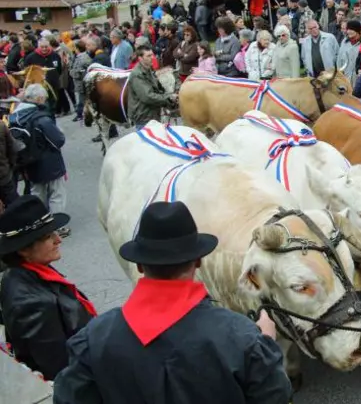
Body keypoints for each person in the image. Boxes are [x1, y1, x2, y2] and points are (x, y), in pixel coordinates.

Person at [53, 201, 293, 403]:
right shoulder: (242, 338)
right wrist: (267, 345)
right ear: (198, 261)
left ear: (138, 265)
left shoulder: (94, 338)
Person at [0, 195, 94, 380]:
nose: (58, 239)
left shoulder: (31, 270)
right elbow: (62, 370)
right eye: (48, 236)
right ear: (23, 249)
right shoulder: (32, 304)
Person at [10, 85, 68, 227]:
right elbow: (58, 140)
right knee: (57, 193)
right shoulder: (41, 119)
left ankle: (40, 223)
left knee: (37, 193)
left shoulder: (16, 116)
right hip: (50, 163)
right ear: (40, 98)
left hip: (29, 163)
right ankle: (57, 226)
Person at [126, 45, 175, 127]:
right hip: (144, 118)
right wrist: (168, 98)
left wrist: (169, 97)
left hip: (151, 115)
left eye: (152, 54)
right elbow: (147, 97)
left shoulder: (148, 69)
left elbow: (156, 90)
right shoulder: (137, 74)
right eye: (148, 56)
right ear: (140, 58)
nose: (152, 57)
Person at [22, 38, 62, 111]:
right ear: (38, 47)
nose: (44, 49)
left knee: (54, 102)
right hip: (39, 86)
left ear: (49, 46)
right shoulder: (30, 57)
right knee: (44, 104)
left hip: (53, 84)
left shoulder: (55, 55)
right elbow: (27, 71)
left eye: (46, 47)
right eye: (42, 47)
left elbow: (59, 69)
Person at [70, 39, 92, 122]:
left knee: (83, 100)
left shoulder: (83, 58)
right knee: (82, 99)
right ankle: (81, 114)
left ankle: (81, 114)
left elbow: (80, 71)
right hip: (80, 83)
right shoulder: (78, 57)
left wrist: (72, 73)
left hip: (82, 82)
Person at [337, 20, 361, 85]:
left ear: (357, 30)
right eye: (348, 29)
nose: (348, 31)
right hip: (345, 78)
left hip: (358, 80)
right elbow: (339, 59)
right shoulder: (345, 41)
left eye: (351, 29)